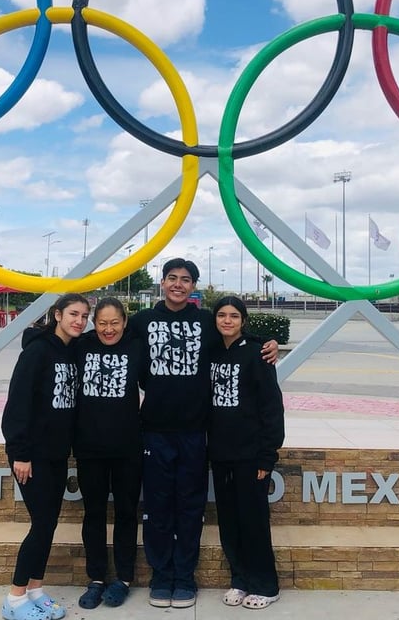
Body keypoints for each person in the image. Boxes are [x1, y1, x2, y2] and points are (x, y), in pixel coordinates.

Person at [128, 258, 278, 610]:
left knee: (190, 509)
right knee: (158, 509)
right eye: (172, 278)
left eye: (185, 280)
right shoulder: (142, 321)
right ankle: (161, 577)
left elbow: (234, 334)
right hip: (155, 434)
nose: (178, 285)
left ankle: (185, 577)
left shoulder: (205, 322)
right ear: (162, 282)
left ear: (194, 286)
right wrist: (35, 334)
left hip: (195, 434)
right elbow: (105, 335)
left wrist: (264, 343)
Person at [1, 293, 90, 620]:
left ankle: (35, 589)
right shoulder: (37, 352)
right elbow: (17, 406)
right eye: (73, 314)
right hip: (31, 456)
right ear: (57, 314)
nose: (79, 321)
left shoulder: (71, 351)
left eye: (84, 315)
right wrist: (20, 454)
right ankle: (15, 598)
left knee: (48, 524)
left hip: (56, 454)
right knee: (40, 525)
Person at [208, 296, 284, 610]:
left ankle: (265, 584)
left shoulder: (257, 354)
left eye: (234, 316)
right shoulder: (211, 352)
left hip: (251, 456)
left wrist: (267, 456)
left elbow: (272, 408)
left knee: (253, 521)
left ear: (243, 321)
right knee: (229, 521)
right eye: (222, 315)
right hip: (220, 455)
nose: (227, 320)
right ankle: (240, 579)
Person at [72, 298, 147, 610]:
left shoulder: (138, 346)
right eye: (101, 322)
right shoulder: (81, 345)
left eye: (114, 322)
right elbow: (38, 339)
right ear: (93, 323)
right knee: (94, 514)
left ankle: (124, 579)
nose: (108, 329)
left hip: (128, 447)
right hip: (89, 448)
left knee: (127, 513)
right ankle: (97, 578)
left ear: (124, 321)